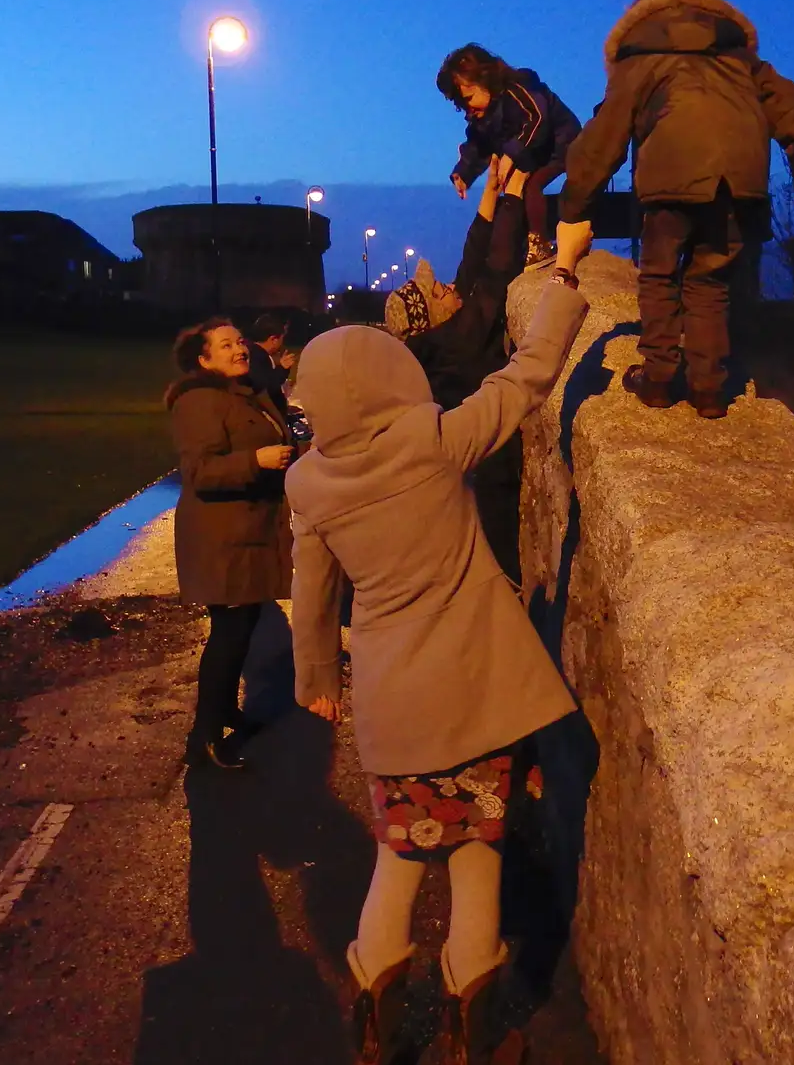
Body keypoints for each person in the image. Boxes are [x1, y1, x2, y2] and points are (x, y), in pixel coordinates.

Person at [288, 257, 590, 1064]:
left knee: (399, 853)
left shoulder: (308, 486)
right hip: (473, 690)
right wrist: (560, 293)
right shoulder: (430, 440)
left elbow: (310, 597)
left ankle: (376, 1030)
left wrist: (316, 681)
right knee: (477, 852)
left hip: (395, 700)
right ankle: (471, 1037)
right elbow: (520, 383)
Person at [555, 0, 794, 419]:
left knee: (660, 273)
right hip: (740, 182)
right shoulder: (740, 60)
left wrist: (573, 207)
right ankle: (708, 389)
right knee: (710, 281)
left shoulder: (641, 58)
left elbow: (600, 142)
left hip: (671, 173)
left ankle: (659, 378)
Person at [386, 155, 531, 583]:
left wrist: (490, 194)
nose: (449, 287)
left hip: (483, 468)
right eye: (438, 291)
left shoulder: (441, 339)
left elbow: (471, 265)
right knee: (505, 572)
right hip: (493, 474)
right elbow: (495, 272)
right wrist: (516, 192)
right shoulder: (457, 342)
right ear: (431, 316)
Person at [166, 317, 297, 770]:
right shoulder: (200, 401)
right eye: (226, 345)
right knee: (228, 635)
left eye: (240, 342)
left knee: (240, 630)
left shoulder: (240, 393)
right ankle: (206, 735)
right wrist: (256, 460)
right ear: (203, 360)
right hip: (223, 536)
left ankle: (223, 714)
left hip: (246, 531)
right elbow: (200, 472)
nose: (239, 349)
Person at [438, 43, 581, 266]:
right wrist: (463, 172)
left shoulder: (518, 88)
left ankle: (540, 243)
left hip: (560, 142)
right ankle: (518, 246)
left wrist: (512, 155)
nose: (469, 109)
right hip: (532, 150)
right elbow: (478, 145)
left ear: (485, 80)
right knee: (513, 195)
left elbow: (537, 120)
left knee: (532, 185)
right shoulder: (483, 116)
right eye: (462, 104)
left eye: (469, 98)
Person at [246, 312, 292, 416]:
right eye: (282, 338)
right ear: (274, 339)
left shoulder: (256, 353)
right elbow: (265, 388)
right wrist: (282, 369)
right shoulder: (256, 357)